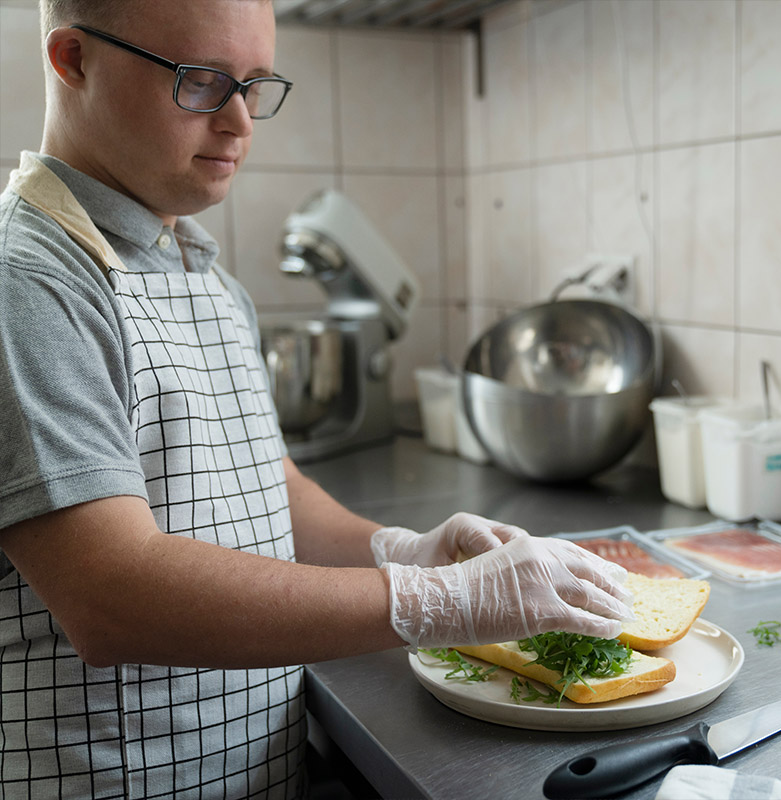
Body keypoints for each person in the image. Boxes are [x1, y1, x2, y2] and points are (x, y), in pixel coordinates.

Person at [0, 2, 631, 798]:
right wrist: (434, 601)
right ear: (73, 60)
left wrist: (400, 548)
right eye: (202, 82)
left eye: (254, 84)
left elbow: (271, 487)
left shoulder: (204, 275)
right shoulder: (31, 282)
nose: (239, 123)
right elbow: (111, 595)